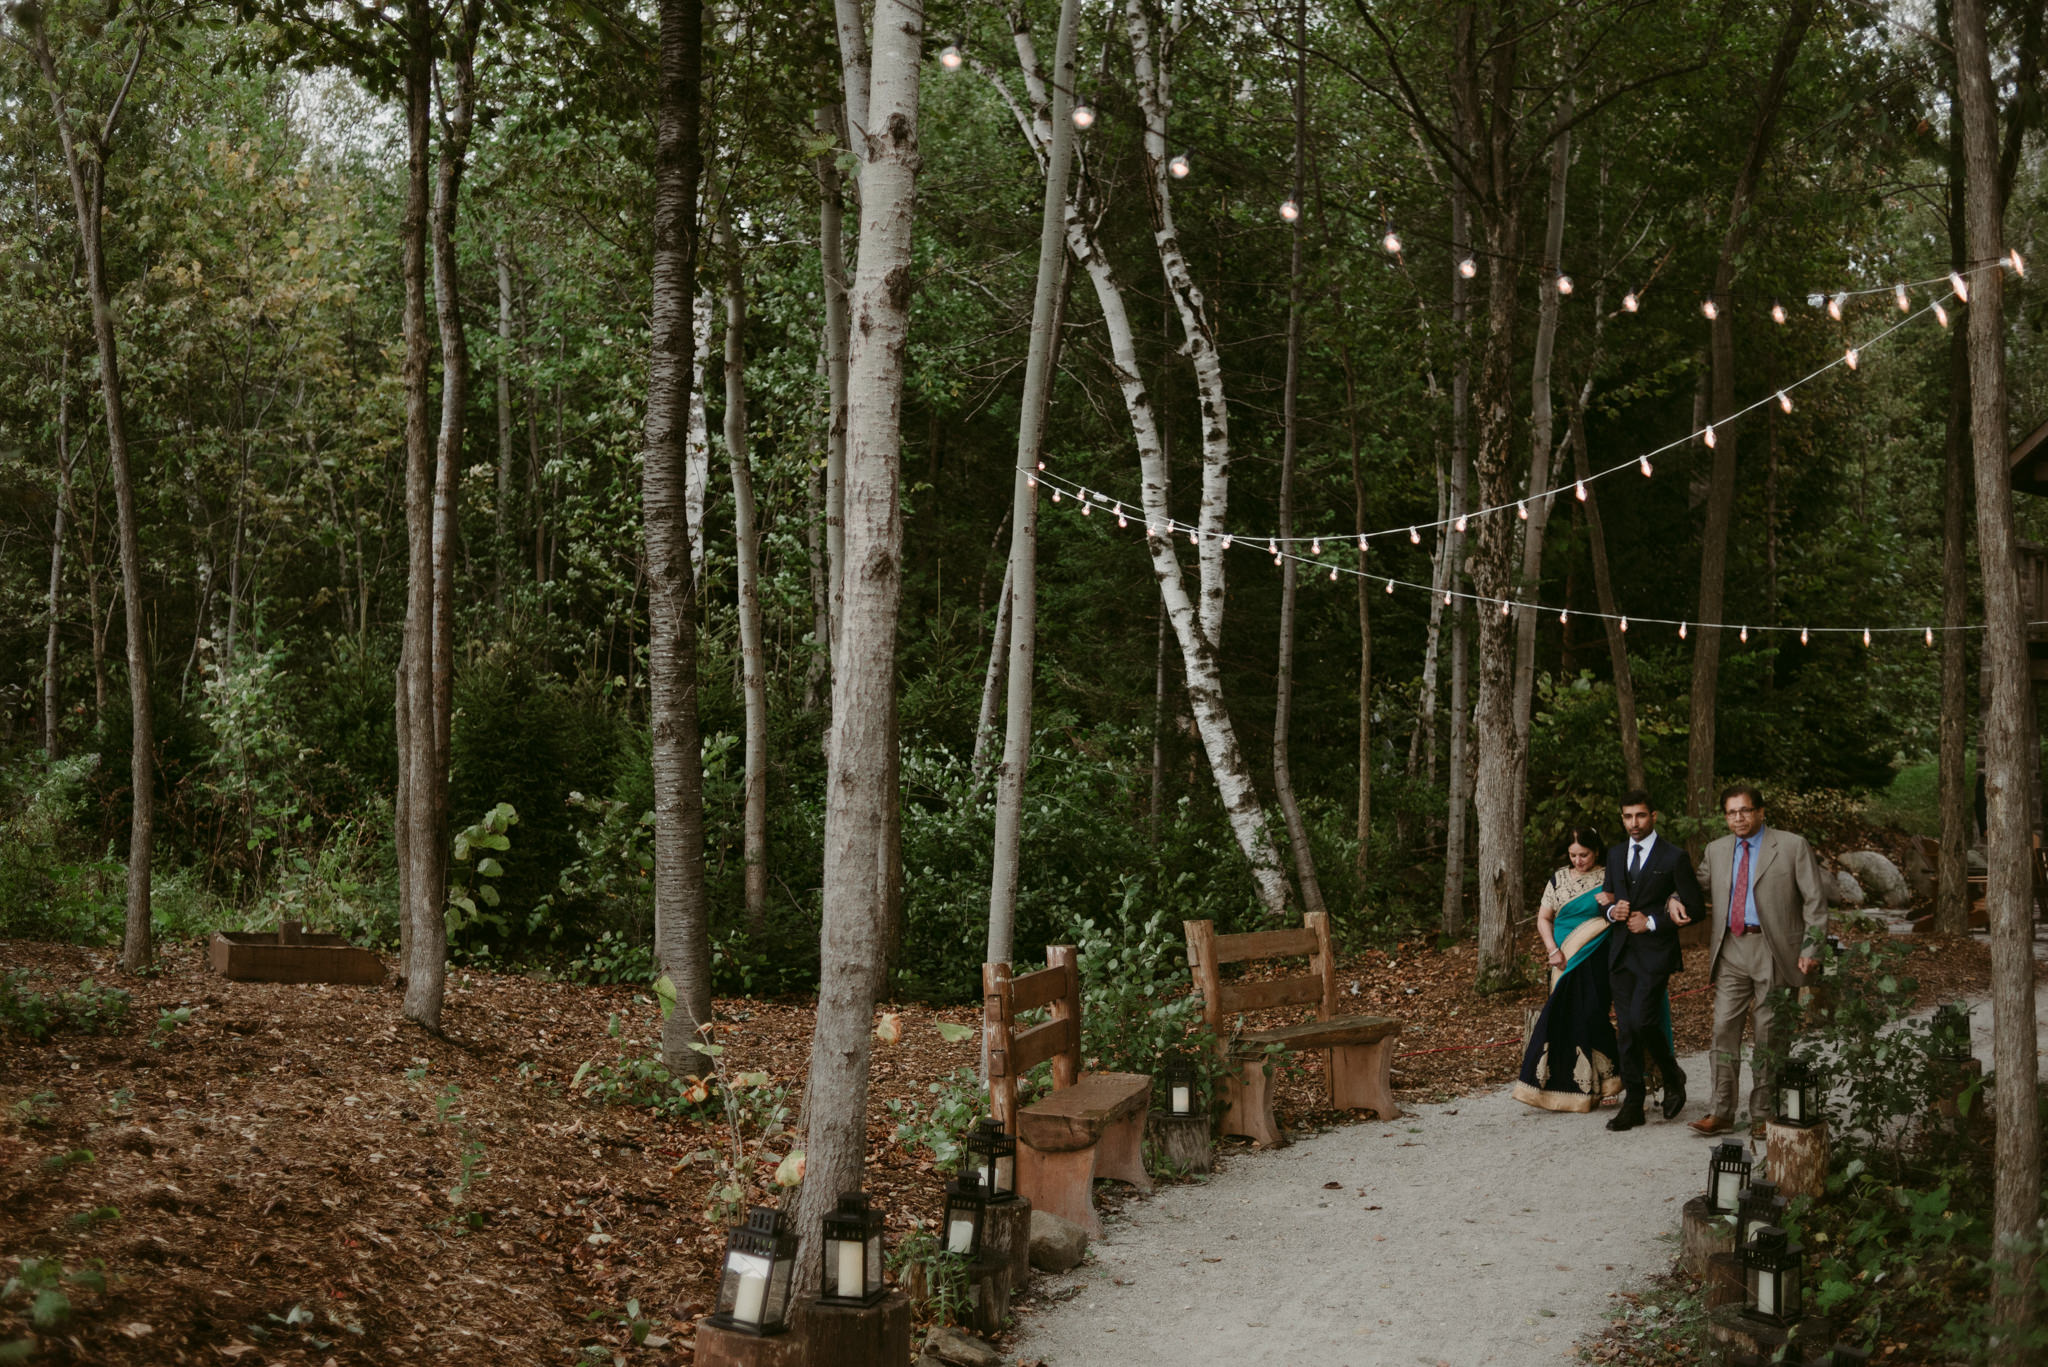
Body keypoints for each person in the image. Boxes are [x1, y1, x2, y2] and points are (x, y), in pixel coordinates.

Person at [1689, 784, 1829, 1139]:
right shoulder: (1717, 850)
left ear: (1761, 812)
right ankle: (1721, 1111)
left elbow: (1815, 902)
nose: (1739, 818)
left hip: (1774, 949)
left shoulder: (1792, 846)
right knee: (1723, 1028)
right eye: (1732, 812)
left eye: (1745, 810)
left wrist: (1811, 949)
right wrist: (1675, 896)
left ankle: (1762, 1114)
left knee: (1769, 1035)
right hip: (1732, 949)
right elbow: (1696, 886)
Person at [1599, 790, 1701, 1131]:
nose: (1633, 823)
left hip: (1656, 953)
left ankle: (1672, 1074)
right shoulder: (1614, 855)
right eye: (1627, 817)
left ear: (1653, 816)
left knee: (1642, 1021)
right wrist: (1614, 911)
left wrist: (1653, 920)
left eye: (1640, 816)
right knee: (1627, 1029)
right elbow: (1608, 899)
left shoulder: (1673, 857)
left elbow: (1696, 908)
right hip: (1621, 952)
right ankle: (1634, 1104)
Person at [1514, 827, 1622, 1113]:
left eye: (1584, 854)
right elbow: (1543, 918)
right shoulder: (1558, 879)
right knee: (1562, 1016)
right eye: (1573, 855)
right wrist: (1552, 949)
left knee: (1593, 1014)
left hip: (1596, 957)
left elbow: (1617, 916)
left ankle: (1610, 1081)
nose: (1578, 860)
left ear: (1596, 851)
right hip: (1562, 960)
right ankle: (1557, 1087)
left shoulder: (1609, 877)